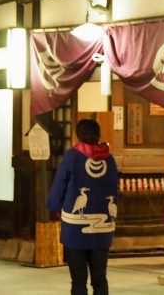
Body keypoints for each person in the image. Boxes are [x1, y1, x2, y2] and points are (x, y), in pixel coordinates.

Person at [47, 118, 120, 295]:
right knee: (100, 278)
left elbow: (59, 185)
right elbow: (115, 189)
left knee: (78, 280)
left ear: (78, 135)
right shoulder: (110, 159)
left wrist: (55, 207)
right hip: (103, 228)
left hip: (75, 227)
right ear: (98, 134)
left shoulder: (72, 156)